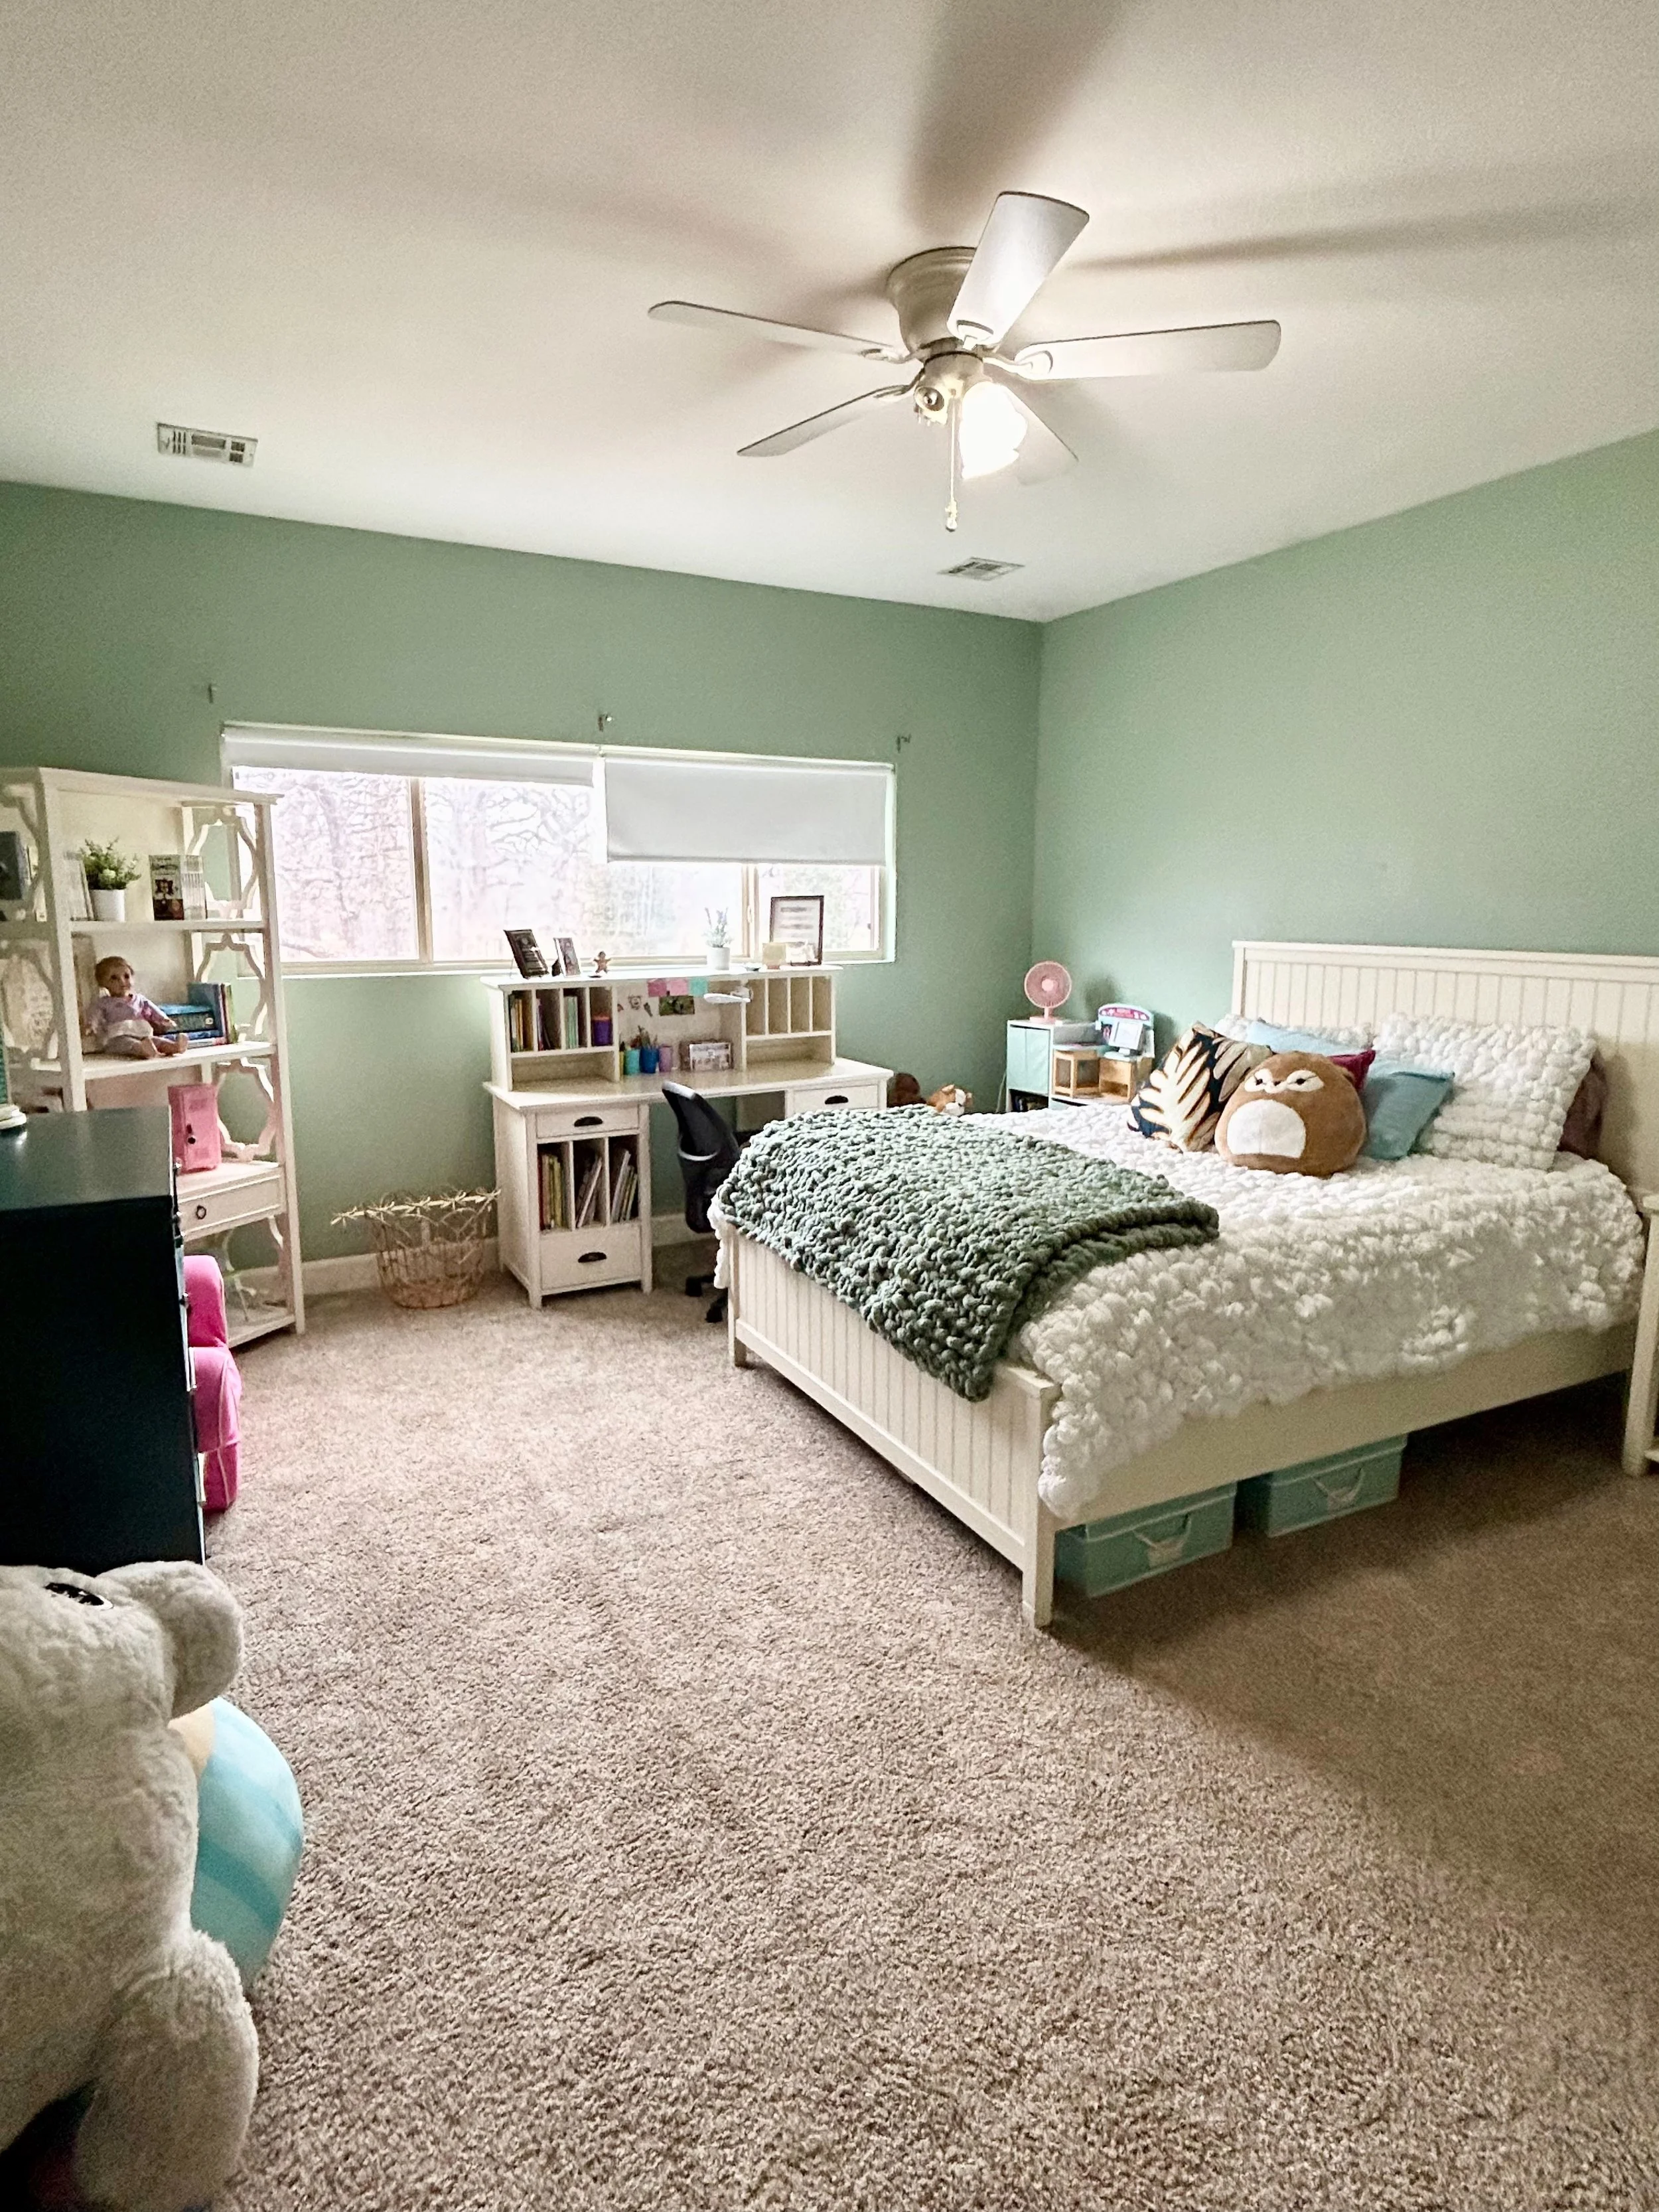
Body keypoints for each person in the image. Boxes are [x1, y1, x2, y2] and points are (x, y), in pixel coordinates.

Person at [82, 955, 184, 1058]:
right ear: (103, 983)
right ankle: (144, 1050)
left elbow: (153, 1010)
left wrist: (163, 1018)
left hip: (142, 1033)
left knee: (158, 1041)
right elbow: (95, 1014)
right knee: (130, 1045)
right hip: (119, 1037)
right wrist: (91, 1025)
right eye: (114, 978)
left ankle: (175, 1047)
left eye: (126, 976)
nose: (122, 981)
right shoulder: (104, 1003)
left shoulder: (140, 999)